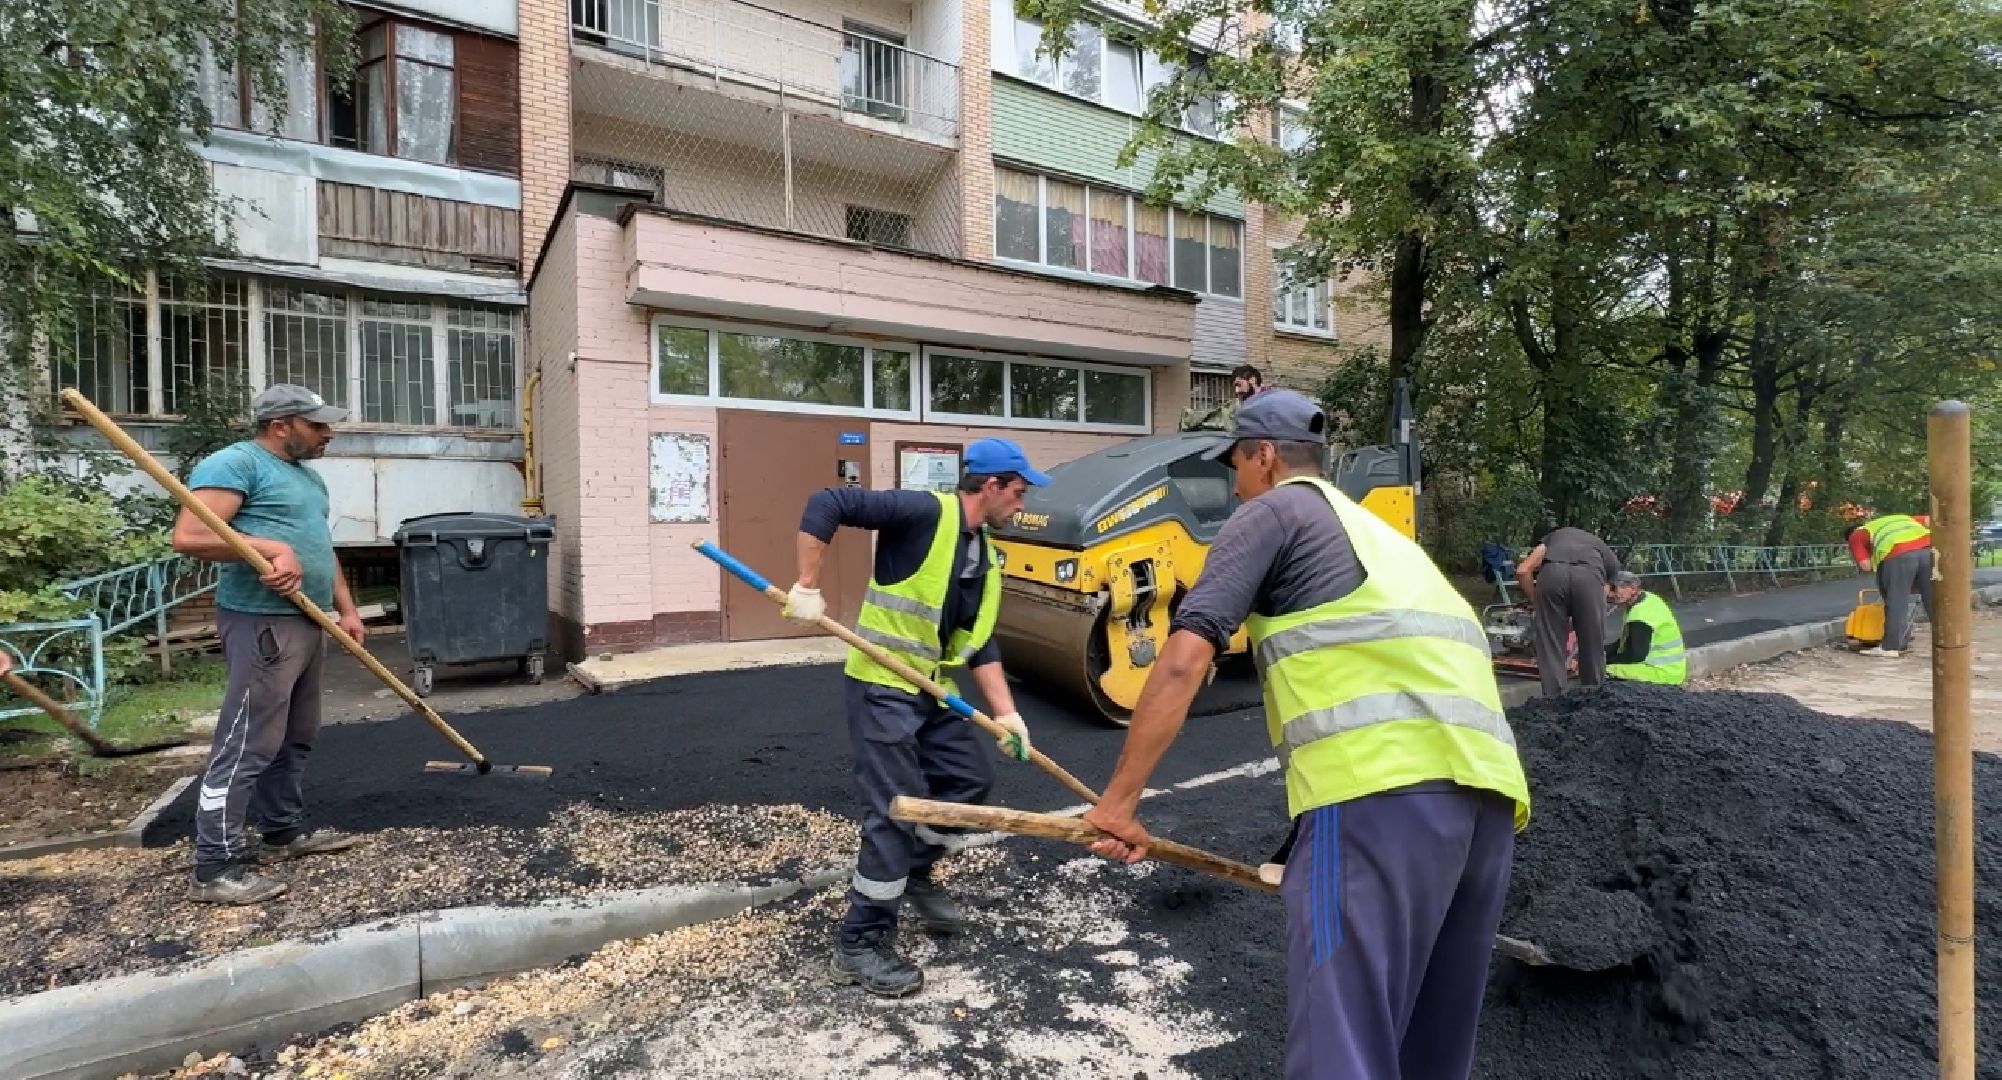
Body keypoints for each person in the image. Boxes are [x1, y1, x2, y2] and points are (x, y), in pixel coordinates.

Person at [1080, 390, 1529, 1080]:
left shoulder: (1274, 511)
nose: (1234, 482)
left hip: (1377, 799)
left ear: (1265, 456)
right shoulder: (1385, 539)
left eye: (1237, 464)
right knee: (1430, 1050)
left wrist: (1119, 803)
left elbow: (1182, 657)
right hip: (1488, 808)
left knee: (1341, 1045)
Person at [786, 437, 1046, 998]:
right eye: (1019, 492)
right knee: (895, 809)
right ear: (993, 485)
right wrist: (807, 587)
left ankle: (917, 871)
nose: (1021, 505)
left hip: (929, 687)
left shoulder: (983, 550)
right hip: (882, 686)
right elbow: (825, 504)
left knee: (968, 782)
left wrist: (1008, 716)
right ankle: (859, 945)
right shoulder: (924, 512)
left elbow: (980, 643)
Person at [172, 384, 365, 905]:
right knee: (247, 741)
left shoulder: (307, 478)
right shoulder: (235, 464)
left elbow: (320, 547)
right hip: (262, 622)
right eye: (317, 424)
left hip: (307, 620)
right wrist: (270, 546)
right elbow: (188, 536)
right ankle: (214, 867)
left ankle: (282, 830)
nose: (328, 433)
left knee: (298, 732)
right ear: (281, 425)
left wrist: (345, 608)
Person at [1514, 525, 1623, 696]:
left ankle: (1553, 701)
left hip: (1552, 577)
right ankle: (1592, 696)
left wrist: (1536, 601)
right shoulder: (1602, 548)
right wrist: (1586, 614)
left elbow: (1522, 570)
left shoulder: (1553, 539)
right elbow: (1605, 589)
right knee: (1592, 642)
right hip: (1590, 580)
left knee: (1550, 643)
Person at [1846, 513, 1936, 657]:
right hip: (1929, 550)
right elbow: (1929, 519)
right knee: (1933, 600)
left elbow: (1866, 566)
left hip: (1898, 555)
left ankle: (1890, 647)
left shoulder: (1855, 536)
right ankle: (1947, 643)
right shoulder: (1899, 518)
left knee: (1896, 601)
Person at [1604, 571, 1687, 685]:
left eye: (1614, 589)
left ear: (1632, 588)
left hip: (1660, 673)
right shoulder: (1648, 599)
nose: (1610, 594)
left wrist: (1601, 662)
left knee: (1605, 671)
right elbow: (1623, 645)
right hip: (1672, 670)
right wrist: (1596, 654)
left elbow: (1635, 655)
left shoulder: (1640, 615)